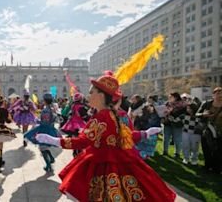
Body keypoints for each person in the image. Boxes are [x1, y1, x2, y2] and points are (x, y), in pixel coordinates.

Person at [35, 73, 175, 202]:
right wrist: (146, 133)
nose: (89, 96)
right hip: (120, 160)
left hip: (102, 164)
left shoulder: (102, 116)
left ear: (101, 96)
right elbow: (125, 136)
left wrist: (53, 140)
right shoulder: (114, 114)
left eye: (92, 93)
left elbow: (83, 141)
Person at [24, 93, 60, 172]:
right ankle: (51, 158)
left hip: (44, 130)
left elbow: (44, 122)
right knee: (45, 146)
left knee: (42, 148)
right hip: (51, 129)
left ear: (44, 100)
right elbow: (54, 120)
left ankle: (48, 165)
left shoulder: (45, 110)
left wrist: (36, 120)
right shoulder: (52, 108)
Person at [196, 87, 222, 173]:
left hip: (220, 132)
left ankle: (217, 168)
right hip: (207, 131)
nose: (219, 95)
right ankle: (207, 166)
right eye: (217, 93)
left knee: (218, 151)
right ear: (213, 95)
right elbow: (197, 114)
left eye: (221, 93)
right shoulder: (206, 104)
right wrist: (203, 114)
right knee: (206, 149)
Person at [60, 92, 88, 157]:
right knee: (80, 139)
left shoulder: (73, 105)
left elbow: (70, 114)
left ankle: (75, 152)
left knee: (74, 138)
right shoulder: (81, 107)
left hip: (72, 124)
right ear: (81, 99)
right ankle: (79, 153)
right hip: (80, 124)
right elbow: (84, 116)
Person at [163, 92, 186, 158]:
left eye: (170, 97)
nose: (169, 98)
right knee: (166, 138)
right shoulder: (167, 104)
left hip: (177, 124)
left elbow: (182, 114)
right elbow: (164, 112)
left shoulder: (182, 104)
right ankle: (165, 151)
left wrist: (171, 112)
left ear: (175, 97)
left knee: (177, 139)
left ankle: (177, 153)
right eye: (169, 97)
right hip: (167, 123)